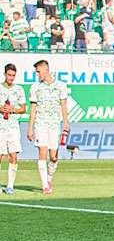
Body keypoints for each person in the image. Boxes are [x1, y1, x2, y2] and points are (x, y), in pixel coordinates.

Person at [27, 59, 70, 195]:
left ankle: (49, 178)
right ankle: (45, 185)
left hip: (54, 125)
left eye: (38, 71)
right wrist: (30, 128)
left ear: (46, 69)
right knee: (42, 154)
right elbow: (33, 109)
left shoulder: (60, 86)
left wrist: (66, 123)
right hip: (41, 125)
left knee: (53, 157)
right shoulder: (35, 87)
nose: (37, 74)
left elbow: (63, 105)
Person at [0, 64, 26, 194]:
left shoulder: (19, 90)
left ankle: (10, 186)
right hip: (0, 127)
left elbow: (23, 108)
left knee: (13, 155)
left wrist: (13, 110)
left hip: (13, 127)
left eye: (13, 75)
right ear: (5, 74)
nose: (11, 78)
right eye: (9, 75)